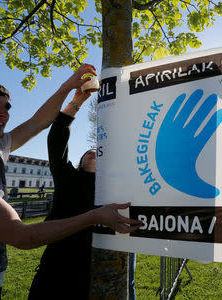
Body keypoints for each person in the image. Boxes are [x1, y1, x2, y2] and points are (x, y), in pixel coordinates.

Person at [0, 68, 141, 300]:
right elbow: (22, 236)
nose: (4, 114)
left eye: (7, 106)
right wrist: (95, 216)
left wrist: (70, 92)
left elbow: (39, 121)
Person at [28, 89, 136, 299]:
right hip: (59, 261)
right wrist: (77, 102)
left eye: (98, 152)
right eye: (88, 152)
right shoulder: (67, 177)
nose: (92, 152)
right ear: (80, 162)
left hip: (99, 264)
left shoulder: (117, 184)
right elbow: (57, 138)